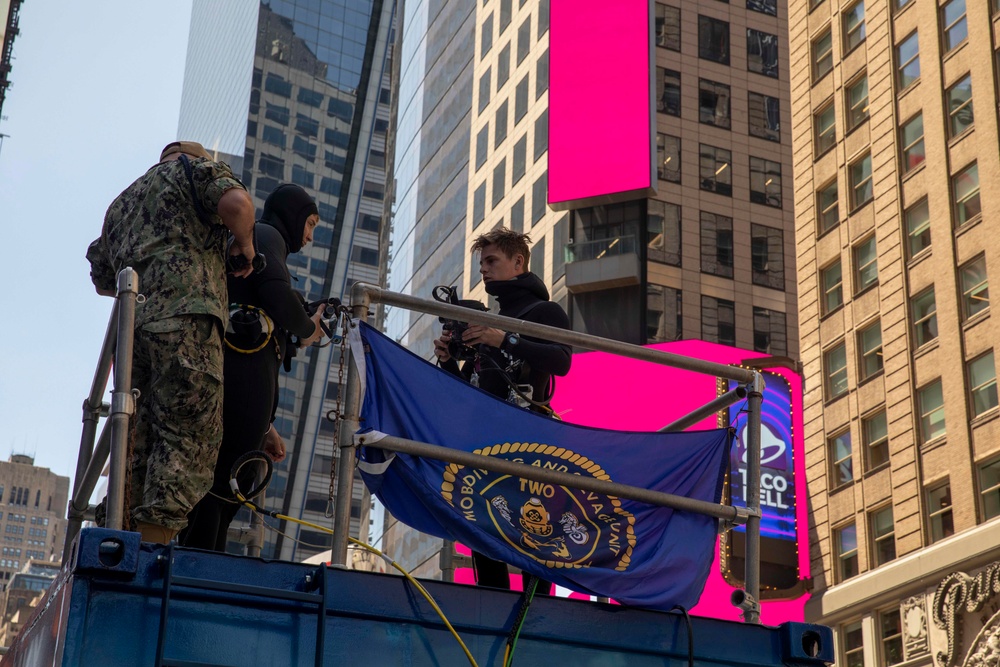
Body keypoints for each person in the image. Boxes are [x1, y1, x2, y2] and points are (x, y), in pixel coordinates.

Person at [86, 141, 258, 545]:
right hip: (186, 320)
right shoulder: (195, 171)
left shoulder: (122, 203)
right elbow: (239, 206)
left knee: (136, 443)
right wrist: (244, 246)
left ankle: (118, 540)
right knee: (189, 433)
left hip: (132, 337)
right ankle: (153, 546)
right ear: (194, 157)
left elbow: (100, 277)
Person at [179, 184, 326, 551]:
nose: (309, 236)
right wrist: (308, 330)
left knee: (224, 487)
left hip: (241, 375)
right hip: (245, 371)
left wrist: (267, 425)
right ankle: (200, 571)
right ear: (292, 216)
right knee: (222, 484)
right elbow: (276, 292)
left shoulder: (263, 240)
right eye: (309, 224)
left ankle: (202, 561)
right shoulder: (265, 234)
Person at [434, 227, 572, 591]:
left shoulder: (546, 311)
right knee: (485, 534)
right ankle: (492, 610)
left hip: (530, 447)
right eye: (481, 263)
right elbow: (466, 394)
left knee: (535, 534)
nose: (484, 269)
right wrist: (448, 361)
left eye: (492, 261)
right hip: (485, 447)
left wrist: (505, 337)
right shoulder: (485, 323)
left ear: (518, 262)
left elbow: (561, 361)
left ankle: (539, 616)